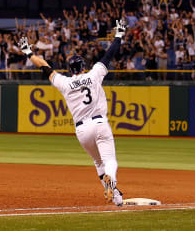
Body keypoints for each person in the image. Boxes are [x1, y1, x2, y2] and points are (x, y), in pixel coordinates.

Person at [18, 19, 127, 207]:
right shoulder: (93, 75)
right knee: (109, 161)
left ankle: (116, 197)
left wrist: (28, 51)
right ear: (83, 67)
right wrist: (119, 34)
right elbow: (109, 54)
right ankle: (112, 180)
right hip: (100, 124)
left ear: (70, 70)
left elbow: (43, 66)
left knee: (98, 163)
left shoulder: (64, 83)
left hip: (82, 131)